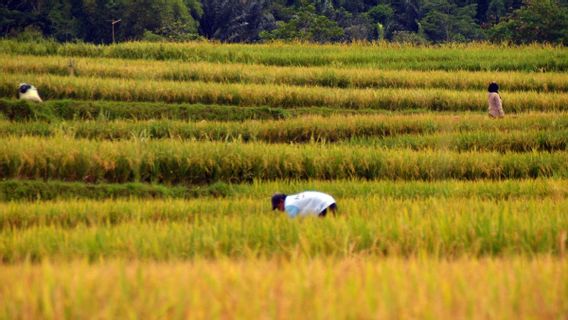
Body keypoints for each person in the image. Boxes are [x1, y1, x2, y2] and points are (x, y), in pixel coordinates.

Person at [271, 191, 337, 218]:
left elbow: (292, 224)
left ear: (281, 201)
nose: (279, 210)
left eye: (278, 207)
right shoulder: (291, 199)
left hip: (325, 205)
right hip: (329, 201)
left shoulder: (289, 205)